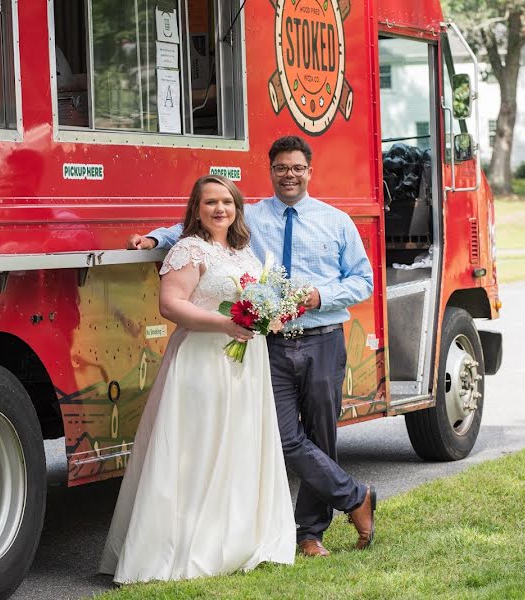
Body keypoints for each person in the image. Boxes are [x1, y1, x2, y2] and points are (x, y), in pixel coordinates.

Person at [127, 136, 376, 558]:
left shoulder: (336, 221)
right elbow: (201, 229)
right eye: (281, 168)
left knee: (321, 435)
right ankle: (355, 496)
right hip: (270, 346)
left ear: (309, 171)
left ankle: (309, 534)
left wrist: (318, 297)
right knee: (282, 436)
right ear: (271, 170)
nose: (289, 175)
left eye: (297, 167)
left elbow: (363, 280)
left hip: (322, 341)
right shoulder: (251, 217)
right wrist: (154, 239)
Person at [99, 175, 296, 584]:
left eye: (227, 201)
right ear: (197, 208)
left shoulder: (243, 252)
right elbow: (170, 305)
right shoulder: (188, 249)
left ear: (238, 208)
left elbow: (256, 296)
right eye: (210, 202)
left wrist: (269, 315)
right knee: (198, 447)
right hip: (201, 362)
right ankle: (187, 543)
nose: (220, 209)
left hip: (244, 363)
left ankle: (238, 537)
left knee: (240, 445)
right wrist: (224, 324)